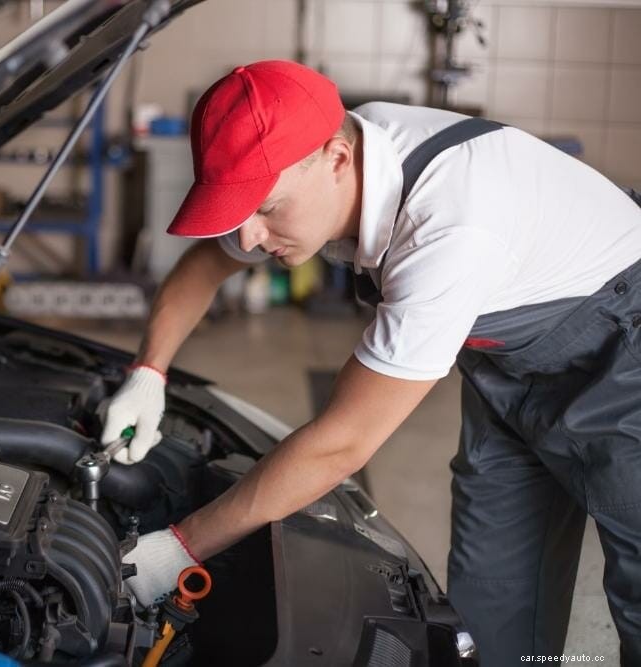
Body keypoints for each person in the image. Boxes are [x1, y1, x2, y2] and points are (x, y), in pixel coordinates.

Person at [104, 60, 641, 664]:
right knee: (493, 594)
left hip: (623, 349)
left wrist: (178, 549)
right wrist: (148, 373)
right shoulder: (332, 154)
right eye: (239, 212)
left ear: (337, 158)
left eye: (267, 209)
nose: (249, 238)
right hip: (509, 364)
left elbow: (342, 443)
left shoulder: (450, 226)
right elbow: (207, 265)